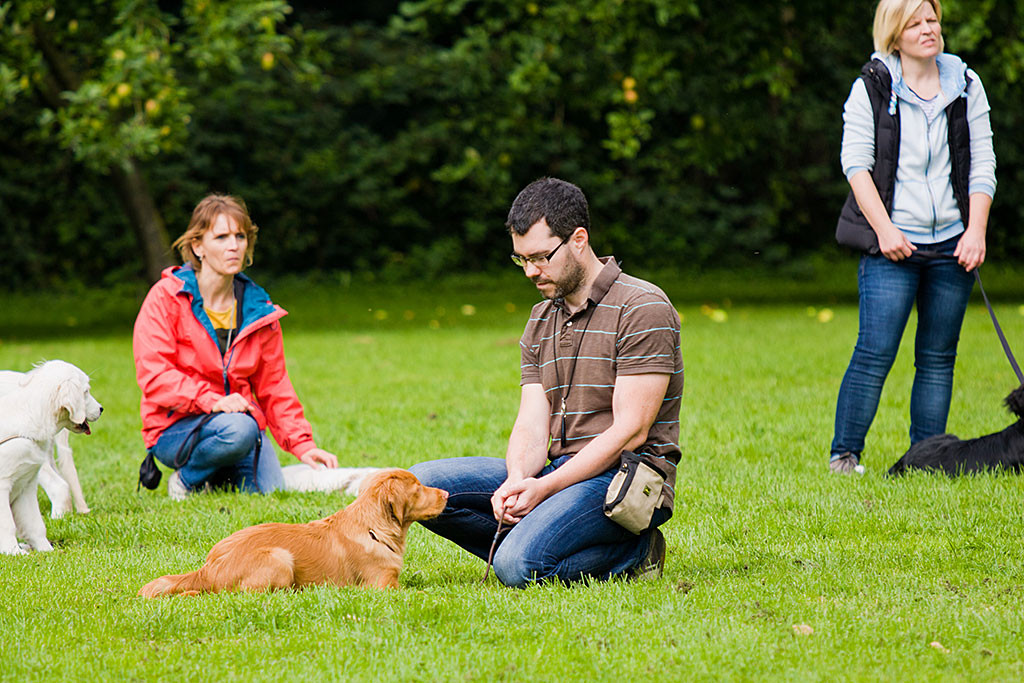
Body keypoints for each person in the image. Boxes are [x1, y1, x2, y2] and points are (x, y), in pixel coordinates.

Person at [410, 178, 683, 586]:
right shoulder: (541, 318)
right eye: (521, 259)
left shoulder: (642, 307)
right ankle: (540, 540)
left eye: (540, 257)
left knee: (516, 567)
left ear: (579, 240)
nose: (530, 271)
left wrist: (545, 489)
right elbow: (531, 424)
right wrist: (518, 479)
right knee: (420, 488)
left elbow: (631, 431)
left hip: (624, 479)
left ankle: (636, 551)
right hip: (558, 469)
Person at [830, 0, 996, 474]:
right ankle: (844, 457)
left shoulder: (966, 84)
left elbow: (983, 162)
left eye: (933, 20)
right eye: (916, 23)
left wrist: (976, 231)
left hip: (954, 245)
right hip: (891, 246)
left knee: (938, 357)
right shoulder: (872, 86)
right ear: (894, 33)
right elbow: (855, 165)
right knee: (874, 352)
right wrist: (885, 231)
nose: (929, 29)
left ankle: (928, 459)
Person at [133, 194, 338, 499]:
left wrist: (302, 444)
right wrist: (213, 400)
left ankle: (213, 475)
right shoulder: (165, 298)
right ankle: (186, 479)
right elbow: (155, 375)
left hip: (239, 423)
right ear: (198, 246)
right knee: (239, 430)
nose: (234, 245)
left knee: (269, 491)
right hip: (175, 426)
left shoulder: (259, 309)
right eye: (222, 237)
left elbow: (274, 385)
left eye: (240, 236)